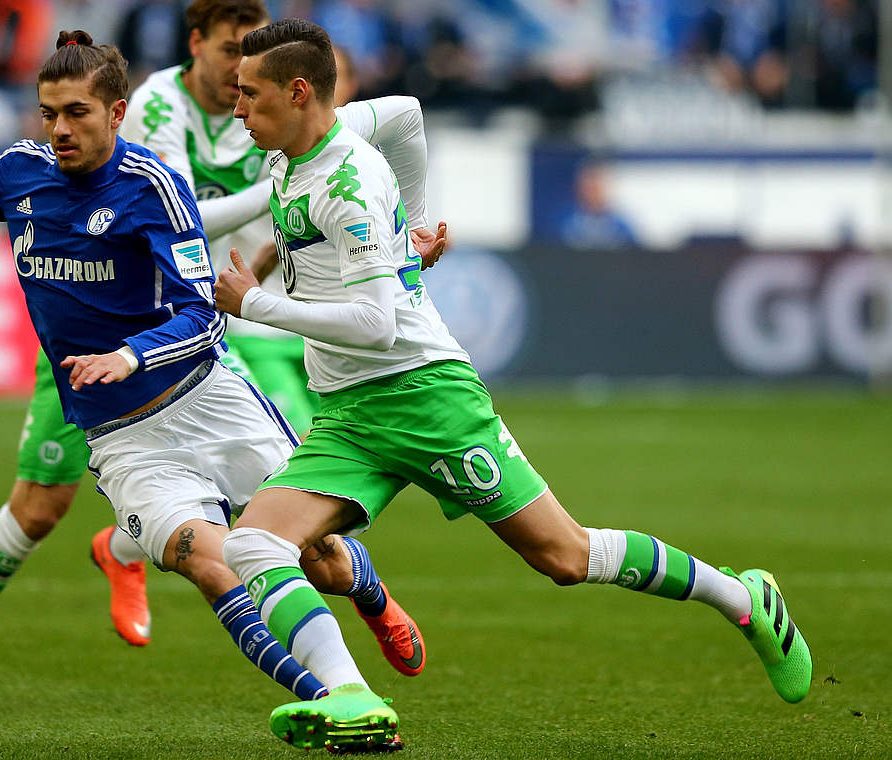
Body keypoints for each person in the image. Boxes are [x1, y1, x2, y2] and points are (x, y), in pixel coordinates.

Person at [215, 19, 812, 752]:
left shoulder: (348, 181)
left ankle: (743, 598)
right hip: (349, 412)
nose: (236, 107)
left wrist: (256, 305)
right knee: (253, 546)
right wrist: (411, 231)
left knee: (565, 557)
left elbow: (374, 324)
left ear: (298, 91)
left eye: (249, 93)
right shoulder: (297, 147)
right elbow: (406, 115)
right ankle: (351, 697)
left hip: (425, 397)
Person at [0, 33, 405, 714]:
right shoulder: (21, 173)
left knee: (320, 559)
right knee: (215, 563)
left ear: (117, 112)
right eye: (49, 114)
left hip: (206, 402)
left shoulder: (152, 185)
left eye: (77, 113)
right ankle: (336, 699)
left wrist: (129, 355)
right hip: (122, 436)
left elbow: (205, 317)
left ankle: (369, 591)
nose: (60, 129)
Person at [118, 0, 441, 684]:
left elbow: (404, 118)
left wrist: (408, 231)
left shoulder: (309, 142)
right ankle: (336, 692)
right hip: (170, 341)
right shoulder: (155, 113)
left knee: (300, 528)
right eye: (233, 54)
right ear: (195, 44)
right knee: (53, 504)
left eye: (251, 64)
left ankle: (368, 594)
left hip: (256, 327)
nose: (241, 80)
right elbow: (181, 217)